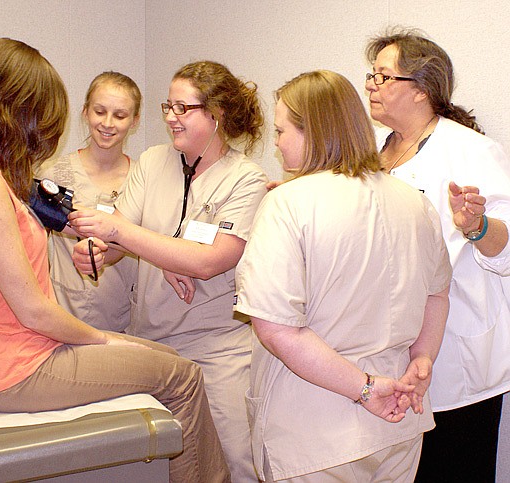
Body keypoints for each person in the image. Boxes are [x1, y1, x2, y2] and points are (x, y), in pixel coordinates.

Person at [0, 38, 229, 483]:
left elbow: (58, 216)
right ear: (13, 109)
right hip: (19, 367)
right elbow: (30, 309)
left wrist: (151, 252)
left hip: (9, 356)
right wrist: (100, 340)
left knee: (164, 356)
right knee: (181, 375)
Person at [234, 70, 452, 482]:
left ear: (312, 131)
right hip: (398, 426)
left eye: (281, 131)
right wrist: (422, 359)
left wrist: (366, 389)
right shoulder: (414, 203)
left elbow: (277, 329)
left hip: (316, 435)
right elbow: (437, 295)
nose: (276, 143)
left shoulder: (287, 204)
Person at [69, 60, 267, 482]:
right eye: (168, 106)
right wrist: (97, 250)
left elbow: (208, 261)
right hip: (151, 344)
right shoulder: (153, 161)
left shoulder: (245, 180)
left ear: (217, 115)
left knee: (236, 461)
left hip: (216, 350)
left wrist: (124, 233)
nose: (171, 118)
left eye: (183, 108)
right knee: (162, 464)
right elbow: (117, 242)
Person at [365, 28, 510, 482]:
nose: (371, 85)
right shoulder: (373, 152)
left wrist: (477, 226)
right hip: (386, 351)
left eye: (383, 76)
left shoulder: (470, 150)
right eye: (371, 76)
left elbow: (506, 247)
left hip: (457, 357)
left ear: (422, 89)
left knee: (454, 469)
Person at [37, 71, 140, 332]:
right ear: (85, 112)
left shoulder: (143, 179)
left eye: (120, 115)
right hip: (64, 315)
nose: (108, 123)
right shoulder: (53, 175)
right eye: (99, 111)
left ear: (134, 121)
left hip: (125, 320)